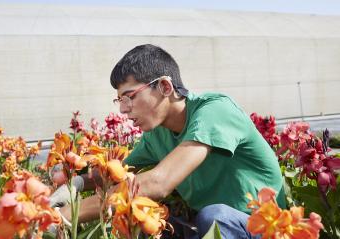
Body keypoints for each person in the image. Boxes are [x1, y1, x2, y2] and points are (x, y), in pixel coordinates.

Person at [50, 44, 286, 238]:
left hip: (267, 228)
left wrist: (66, 215)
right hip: (214, 230)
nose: (123, 109)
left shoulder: (215, 110)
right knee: (142, 220)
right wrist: (75, 184)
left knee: (216, 217)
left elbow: (158, 183)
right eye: (119, 100)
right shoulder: (157, 134)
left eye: (129, 97)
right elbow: (117, 172)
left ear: (165, 86)